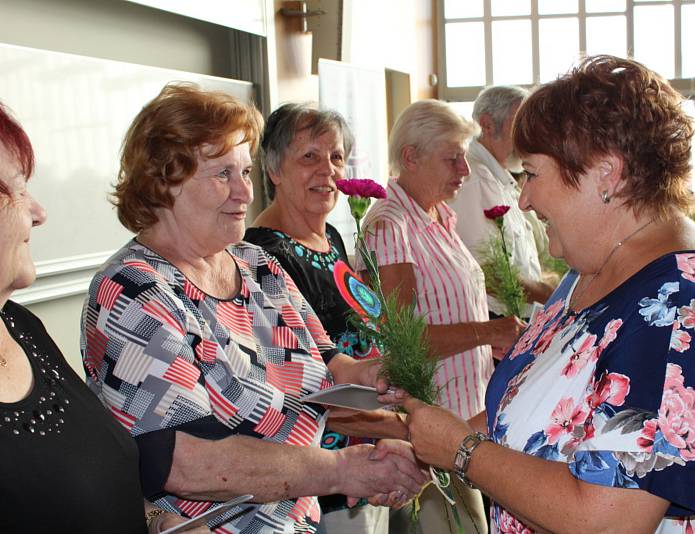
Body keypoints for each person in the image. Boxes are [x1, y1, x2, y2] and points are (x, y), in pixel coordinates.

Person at [401, 55, 695, 533]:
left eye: (532, 174)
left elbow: (606, 519)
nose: (524, 199)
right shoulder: (596, 269)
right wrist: (422, 439)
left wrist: (463, 451)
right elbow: (538, 408)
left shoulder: (684, 304)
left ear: (606, 174)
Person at [80, 84, 426, 534]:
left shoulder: (255, 264)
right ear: (164, 181)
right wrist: (341, 468)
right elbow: (183, 462)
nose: (244, 192)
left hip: (300, 520)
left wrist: (370, 374)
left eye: (245, 171)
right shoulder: (133, 290)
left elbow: (325, 362)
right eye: (223, 174)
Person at [0, 101, 207, 533]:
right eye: (17, 191)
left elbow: (95, 477)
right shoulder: (132, 284)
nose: (39, 213)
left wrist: (156, 519)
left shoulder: (20, 326)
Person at [359, 99, 527, 534]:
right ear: (411, 157)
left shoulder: (439, 216)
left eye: (464, 158)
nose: (465, 171)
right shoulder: (389, 225)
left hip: (468, 423)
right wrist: (487, 330)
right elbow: (405, 343)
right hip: (433, 435)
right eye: (452, 158)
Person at [244, 103, 390, 533]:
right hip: (320, 470)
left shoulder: (331, 236)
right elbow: (291, 386)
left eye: (336, 157)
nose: (327, 170)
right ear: (273, 170)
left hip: (367, 450)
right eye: (309, 157)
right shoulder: (264, 256)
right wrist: (401, 426)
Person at [448, 86, 554, 318]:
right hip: (494, 320)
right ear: (487, 125)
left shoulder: (498, 176)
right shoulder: (473, 178)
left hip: (514, 316)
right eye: (520, 125)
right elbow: (484, 271)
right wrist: (550, 294)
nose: (529, 136)